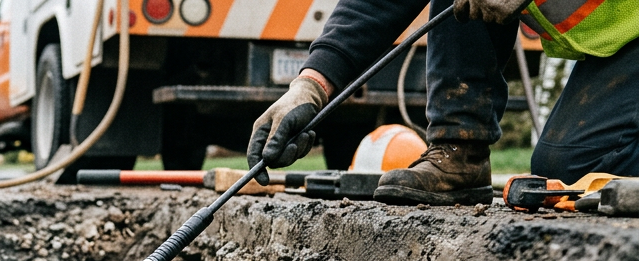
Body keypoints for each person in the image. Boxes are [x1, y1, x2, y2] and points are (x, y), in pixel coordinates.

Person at [246, 0, 639, 205]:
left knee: (576, 172)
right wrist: (312, 85)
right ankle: (459, 149)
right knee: (574, 172)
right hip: (623, 44)